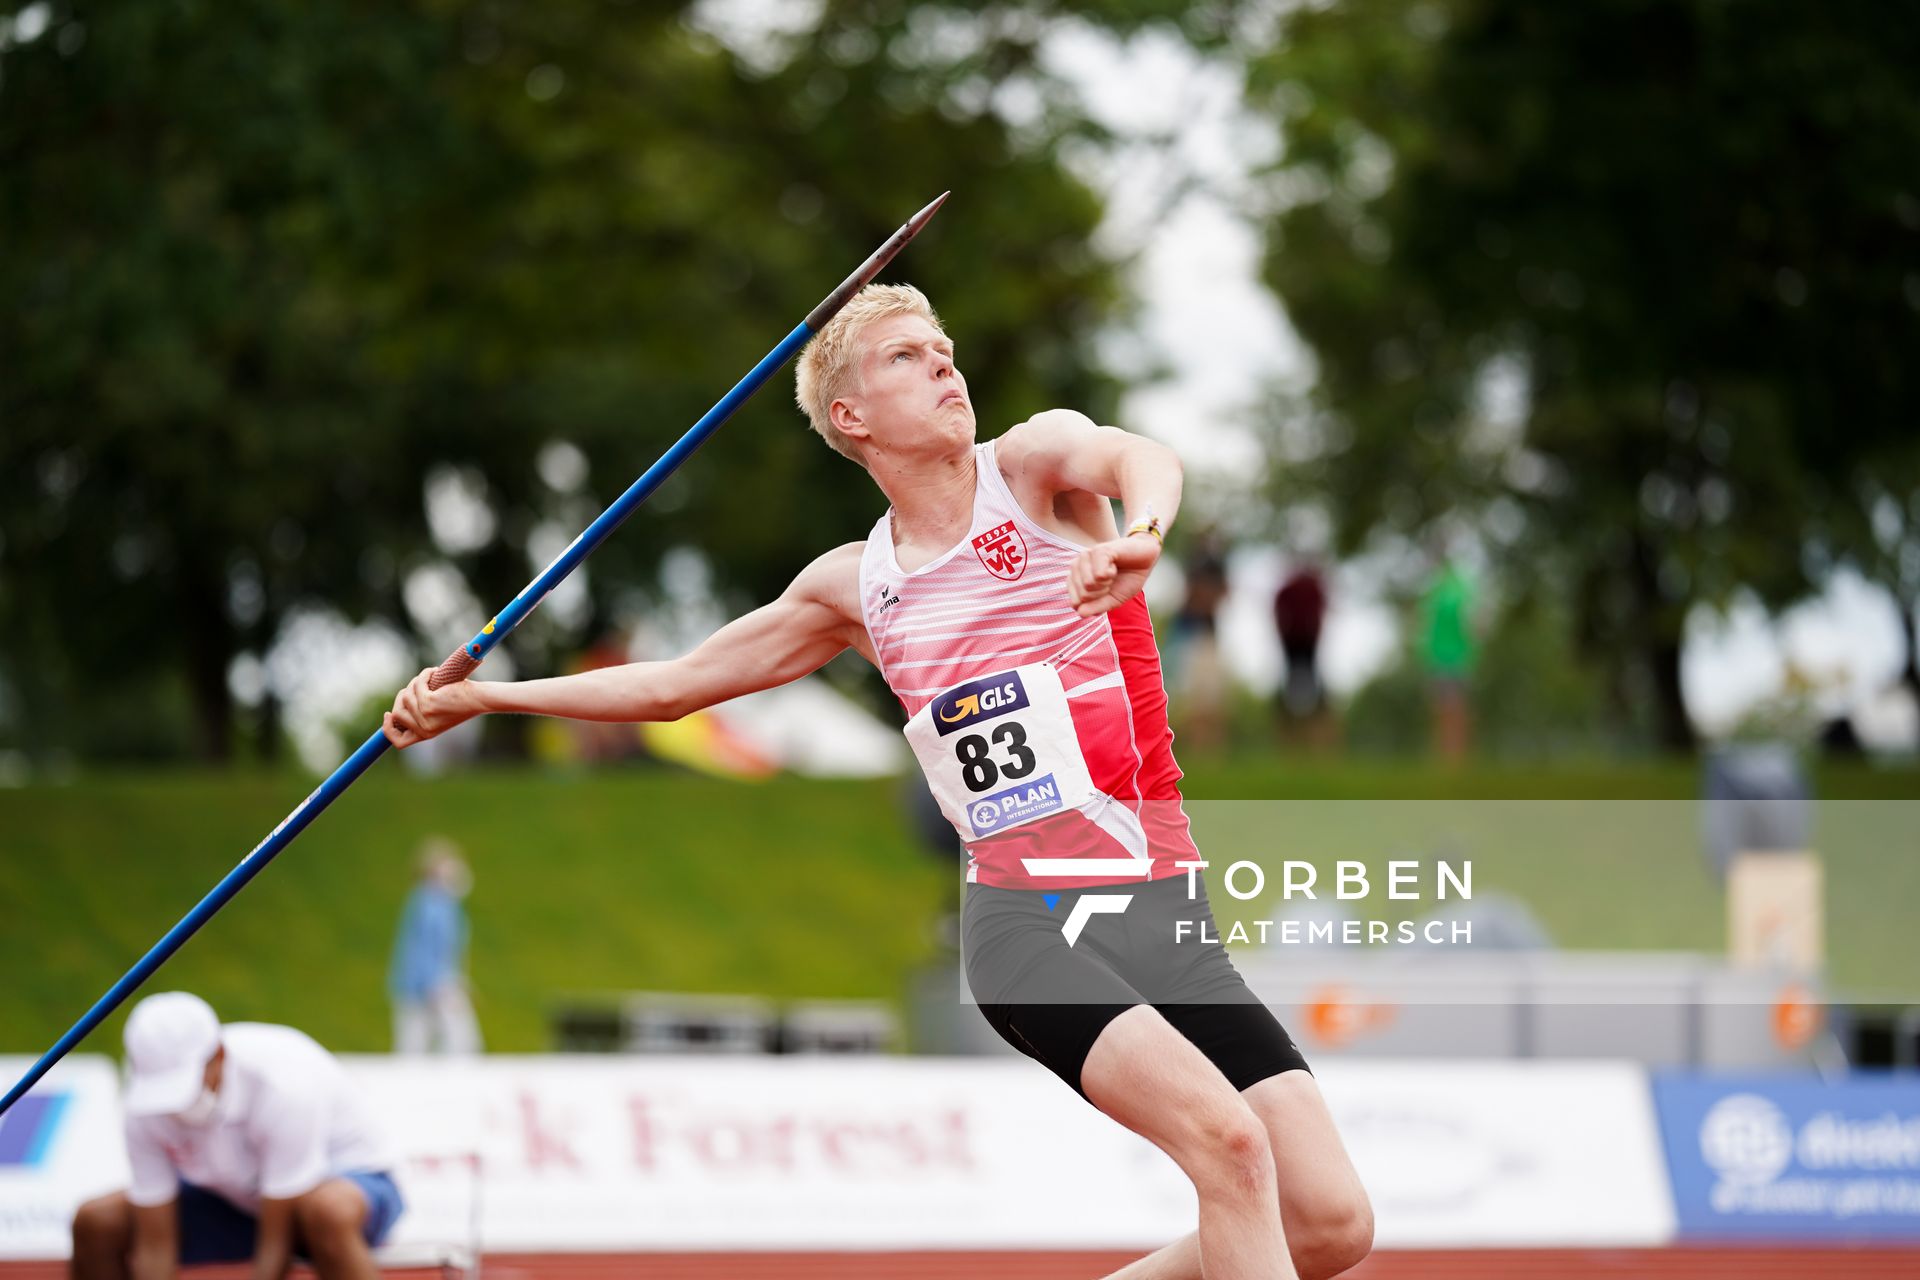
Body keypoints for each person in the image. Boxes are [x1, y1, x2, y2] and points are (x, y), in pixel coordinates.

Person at [382, 283, 1372, 1280]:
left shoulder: (1032, 470)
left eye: (944, 346)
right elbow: (676, 685)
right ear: (850, 416)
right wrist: (491, 699)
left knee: (1330, 1221)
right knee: (1232, 1147)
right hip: (1027, 926)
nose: (944, 362)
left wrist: (1141, 535)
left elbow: (1140, 457)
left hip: (1162, 905)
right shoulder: (856, 584)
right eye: (907, 354)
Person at [70, 992, 403, 1280]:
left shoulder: (284, 1080)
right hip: (236, 1202)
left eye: (181, 1087)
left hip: (347, 1188)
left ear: (218, 1057)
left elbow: (276, 1246)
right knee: (98, 1221)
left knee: (325, 1211)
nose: (172, 1106)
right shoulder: (142, 1104)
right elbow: (155, 1245)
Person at [388, 837, 483, 1056]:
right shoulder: (429, 903)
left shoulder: (444, 903)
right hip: (425, 988)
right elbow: (422, 949)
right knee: (422, 1045)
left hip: (435, 985)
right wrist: (434, 984)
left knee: (440, 1043)